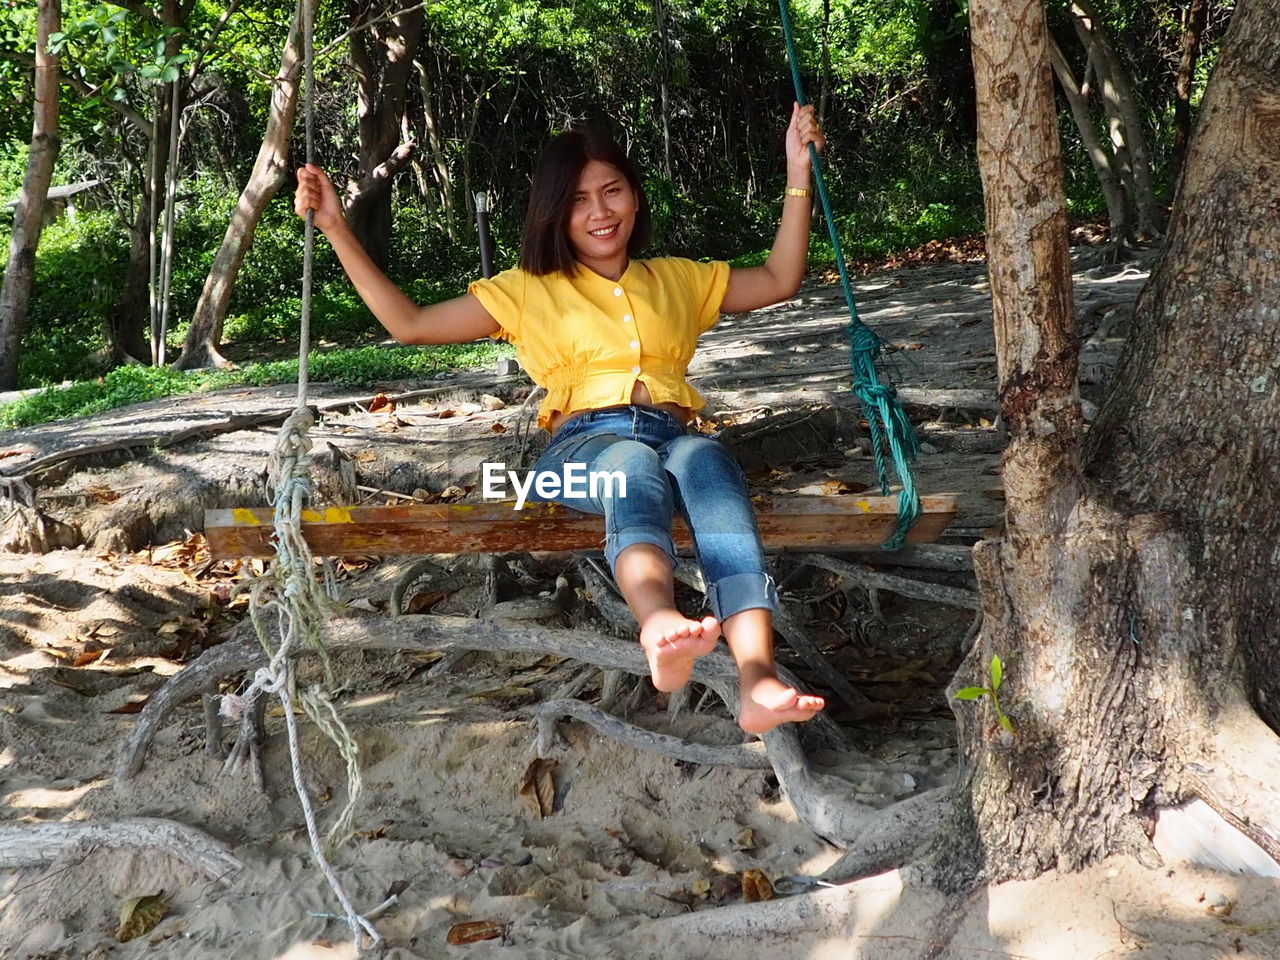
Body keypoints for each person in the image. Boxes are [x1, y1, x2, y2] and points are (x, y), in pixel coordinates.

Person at [295, 103, 827, 734]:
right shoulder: (527, 289)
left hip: (673, 440)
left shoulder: (677, 279)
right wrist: (334, 226)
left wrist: (798, 171)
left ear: (634, 196)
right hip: (574, 458)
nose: (600, 212)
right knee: (629, 467)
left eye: (612, 192)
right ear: (555, 211)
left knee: (709, 459)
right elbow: (408, 324)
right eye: (578, 200)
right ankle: (659, 623)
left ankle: (757, 677)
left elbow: (778, 278)